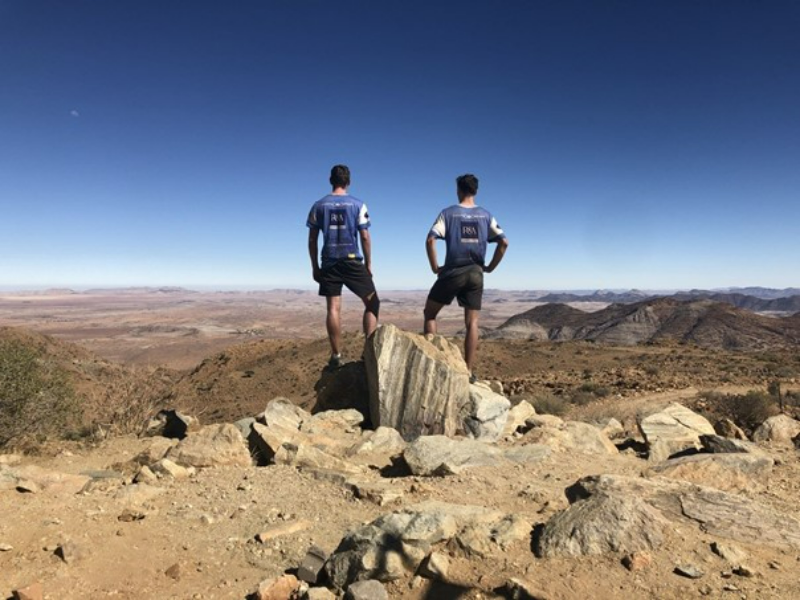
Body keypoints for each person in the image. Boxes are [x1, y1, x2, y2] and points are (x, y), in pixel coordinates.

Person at [423, 173, 508, 382]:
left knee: (430, 314)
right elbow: (504, 242)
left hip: (453, 270)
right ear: (476, 191)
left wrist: (435, 267)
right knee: (472, 324)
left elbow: (430, 240)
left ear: (458, 190)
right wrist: (490, 267)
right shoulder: (486, 215)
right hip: (476, 273)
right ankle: (468, 372)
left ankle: (434, 364)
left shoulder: (448, 214)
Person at [307, 164, 380, 368]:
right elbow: (365, 236)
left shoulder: (318, 206)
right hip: (351, 260)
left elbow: (312, 239)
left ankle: (336, 355)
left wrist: (314, 266)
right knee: (372, 303)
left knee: (333, 308)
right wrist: (368, 263)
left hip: (329, 261)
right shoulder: (358, 204)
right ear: (348, 182)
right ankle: (369, 352)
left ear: (331, 180)